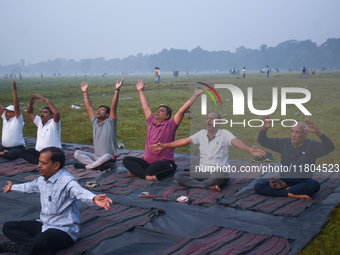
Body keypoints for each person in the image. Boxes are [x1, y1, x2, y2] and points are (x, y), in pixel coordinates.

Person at [1, 147, 112, 254]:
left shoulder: (67, 181)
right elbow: (29, 186)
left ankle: (24, 249)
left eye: (43, 163)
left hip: (64, 231)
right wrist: (12, 187)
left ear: (56, 165)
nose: (39, 166)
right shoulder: (42, 179)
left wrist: (93, 198)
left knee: (41, 240)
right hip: (45, 225)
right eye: (39, 162)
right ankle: (34, 248)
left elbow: (80, 192)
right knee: (9, 227)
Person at [150, 112, 266, 191]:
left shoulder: (224, 134)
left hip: (218, 172)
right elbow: (184, 141)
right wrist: (165, 145)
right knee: (178, 175)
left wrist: (250, 149)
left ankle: (204, 184)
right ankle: (207, 186)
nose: (209, 121)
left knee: (220, 175)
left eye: (213, 119)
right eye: (208, 118)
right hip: (203, 172)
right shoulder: (201, 134)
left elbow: (236, 141)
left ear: (219, 123)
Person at [123, 80, 204, 182]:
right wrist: (141, 91)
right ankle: (147, 176)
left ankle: (139, 173)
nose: (158, 111)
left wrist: (195, 95)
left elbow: (181, 111)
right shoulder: (151, 121)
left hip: (164, 163)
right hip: (147, 162)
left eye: (161, 111)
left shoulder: (170, 124)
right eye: (158, 110)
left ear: (167, 116)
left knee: (154, 168)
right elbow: (146, 107)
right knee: (126, 160)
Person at [254, 116, 335, 200]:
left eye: (297, 132)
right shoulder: (284, 143)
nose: (294, 135)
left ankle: (285, 192)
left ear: (305, 134)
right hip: (284, 181)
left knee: (314, 185)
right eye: (292, 132)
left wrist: (318, 132)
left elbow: (330, 147)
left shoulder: (312, 145)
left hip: (303, 182)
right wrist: (264, 128)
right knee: (258, 185)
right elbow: (263, 141)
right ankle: (292, 194)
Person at [73, 78, 124, 170]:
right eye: (98, 110)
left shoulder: (110, 122)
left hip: (110, 158)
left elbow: (113, 107)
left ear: (108, 114)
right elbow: (88, 107)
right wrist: (85, 92)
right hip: (96, 157)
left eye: (102, 110)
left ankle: (87, 167)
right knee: (77, 153)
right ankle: (96, 165)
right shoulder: (95, 122)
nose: (99, 111)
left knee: (107, 156)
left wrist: (117, 89)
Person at [20, 94, 61, 164]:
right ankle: (39, 161)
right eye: (42, 112)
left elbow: (56, 113)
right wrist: (31, 103)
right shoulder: (39, 121)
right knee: (23, 152)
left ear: (51, 115)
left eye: (45, 112)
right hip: (39, 153)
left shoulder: (54, 123)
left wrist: (47, 101)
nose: (42, 114)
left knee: (51, 157)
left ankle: (40, 161)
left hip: (52, 153)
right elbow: (29, 112)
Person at [0, 81, 26, 160]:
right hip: (3, 146)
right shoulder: (5, 118)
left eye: (8, 112)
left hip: (17, 148)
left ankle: (3, 154)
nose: (6, 113)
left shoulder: (18, 120)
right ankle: (2, 153)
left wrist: (14, 91)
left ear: (14, 114)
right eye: (6, 111)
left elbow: (16, 106)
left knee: (11, 155)